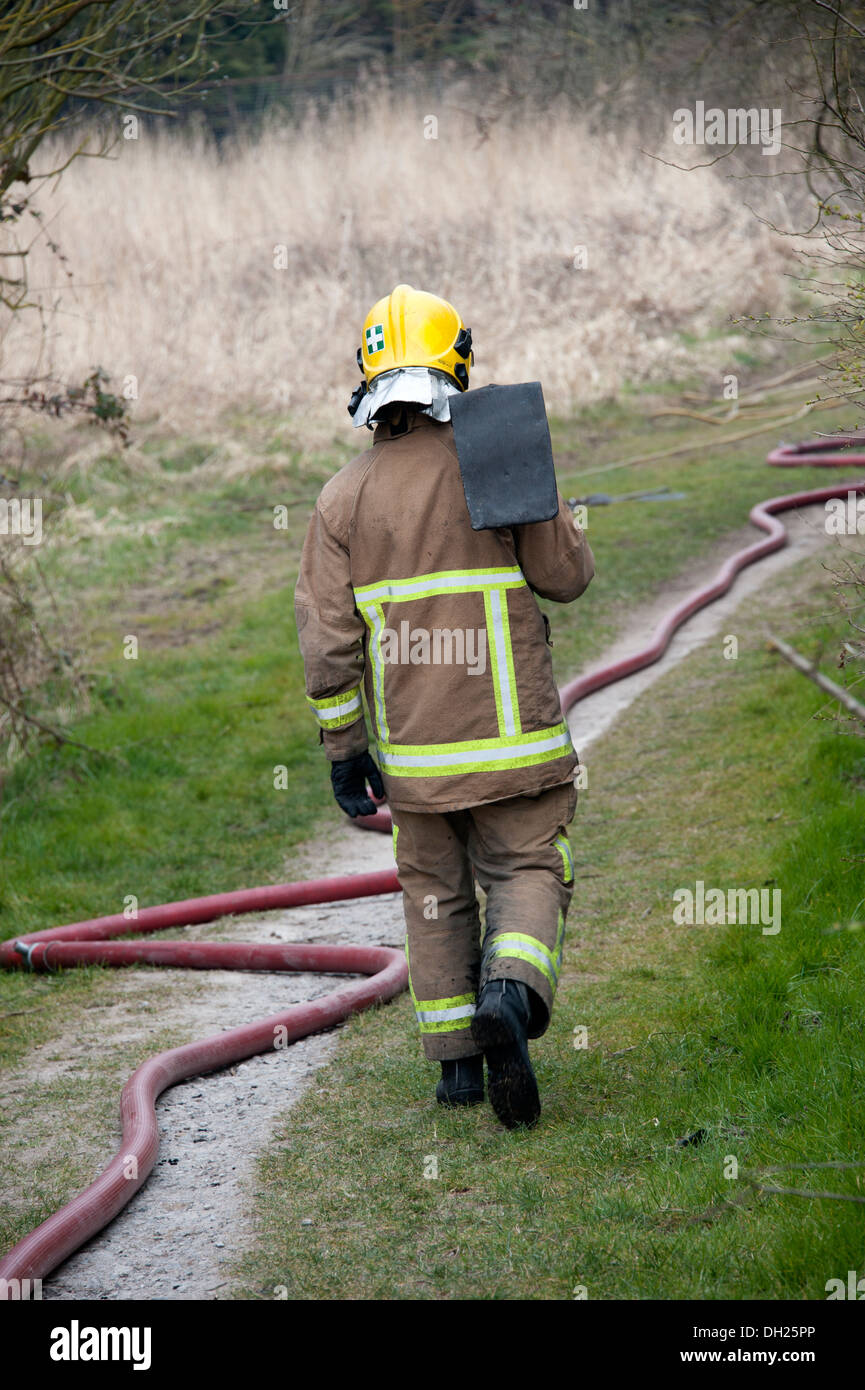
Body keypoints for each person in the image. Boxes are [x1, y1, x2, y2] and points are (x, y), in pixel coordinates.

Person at [294, 284, 594, 1128]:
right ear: (454, 366)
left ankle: (457, 1072)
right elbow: (565, 580)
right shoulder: (497, 457)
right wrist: (562, 517)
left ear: (368, 378)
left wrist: (345, 749)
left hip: (417, 764)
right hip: (514, 746)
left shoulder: (339, 499)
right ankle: (509, 994)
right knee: (527, 869)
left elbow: (326, 643)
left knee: (434, 894)